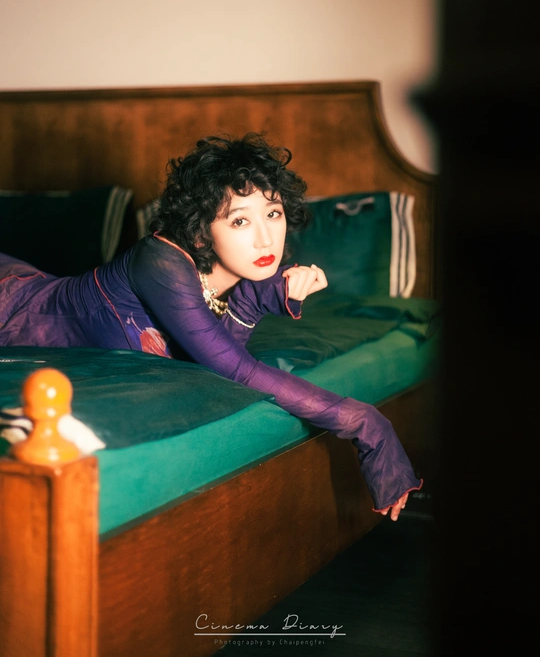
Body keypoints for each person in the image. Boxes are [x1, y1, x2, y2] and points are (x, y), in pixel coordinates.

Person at [0, 133, 421, 519]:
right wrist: (365, 421)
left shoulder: (228, 278)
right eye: (239, 220)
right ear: (200, 233)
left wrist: (260, 295)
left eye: (273, 213)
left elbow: (216, 356)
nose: (265, 239)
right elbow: (235, 368)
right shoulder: (159, 261)